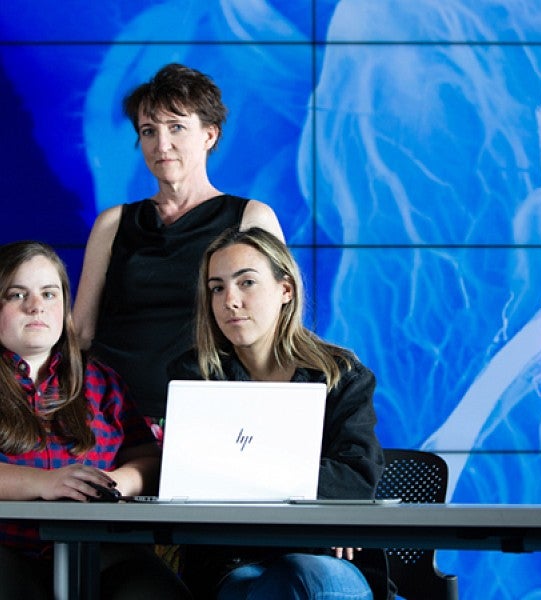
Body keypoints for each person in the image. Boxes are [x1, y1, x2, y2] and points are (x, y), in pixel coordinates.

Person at [169, 227, 394, 600]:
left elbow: (354, 477)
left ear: (285, 290)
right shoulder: (194, 377)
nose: (231, 301)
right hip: (232, 562)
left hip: (326, 554)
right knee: (284, 581)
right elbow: (194, 478)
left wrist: (238, 469)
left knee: (305, 574)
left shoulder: (342, 376)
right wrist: (308, 487)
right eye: (217, 288)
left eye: (247, 283)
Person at [73, 62, 284, 423]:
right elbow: (82, 332)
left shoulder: (251, 218)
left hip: (209, 413)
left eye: (176, 128)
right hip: (108, 415)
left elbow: (276, 332)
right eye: (149, 131)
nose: (162, 144)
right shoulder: (113, 223)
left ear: (210, 135)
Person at [0, 241, 192, 600]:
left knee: (156, 592)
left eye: (49, 293)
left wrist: (116, 482)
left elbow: (149, 459)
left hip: (100, 547)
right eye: (16, 294)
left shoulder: (101, 381)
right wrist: (46, 483)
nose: (36, 305)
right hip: (9, 546)